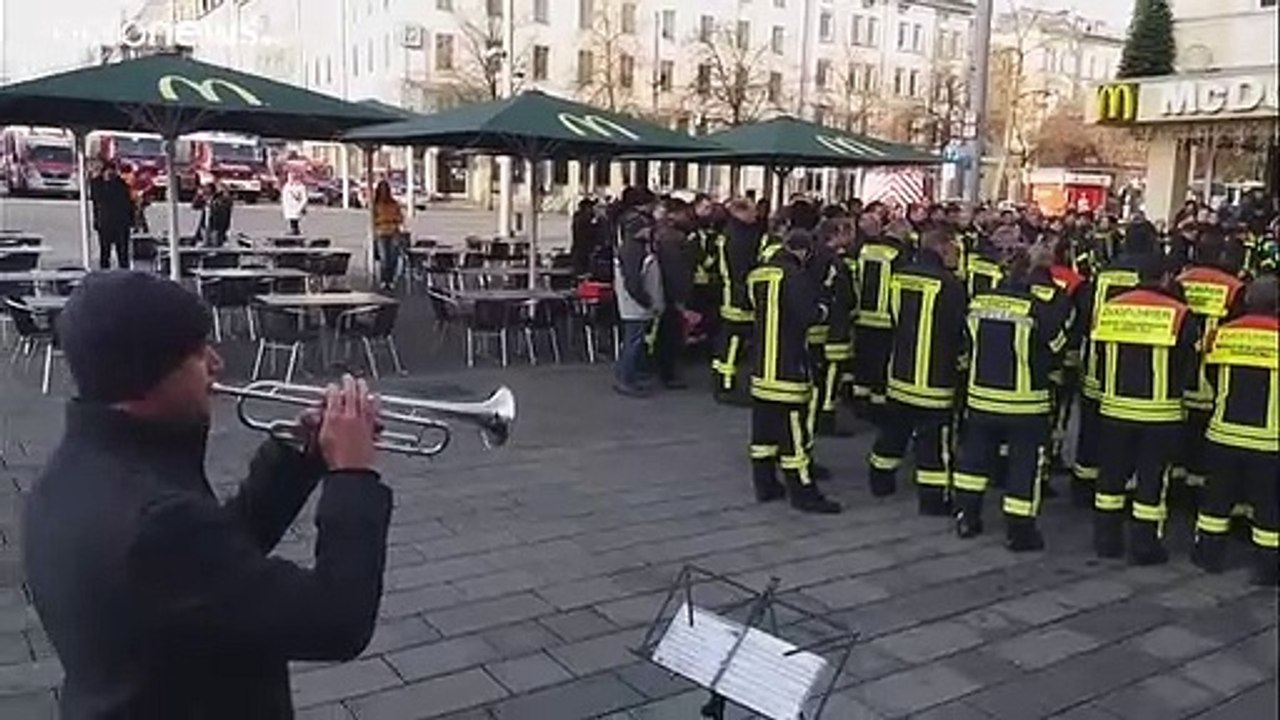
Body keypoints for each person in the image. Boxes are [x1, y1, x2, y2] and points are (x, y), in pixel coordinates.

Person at [22, 271, 393, 718]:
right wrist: (352, 476)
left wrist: (299, 459)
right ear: (147, 375)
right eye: (198, 354)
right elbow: (338, 622)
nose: (216, 364)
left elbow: (216, 568)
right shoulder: (156, 520)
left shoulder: (72, 475)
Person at [952, 242, 1070, 550]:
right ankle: (1019, 532)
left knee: (974, 462)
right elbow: (1057, 348)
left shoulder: (978, 302)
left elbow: (964, 344)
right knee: (1024, 466)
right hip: (1025, 403)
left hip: (981, 398)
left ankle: (967, 517)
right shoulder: (1034, 307)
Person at [1091, 255, 1199, 564]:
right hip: (1159, 413)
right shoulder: (1180, 314)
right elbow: (1189, 364)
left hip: (1114, 408)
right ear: (1166, 277)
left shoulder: (1112, 308)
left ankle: (1106, 540)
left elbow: (1098, 352)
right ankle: (1145, 545)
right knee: (1152, 482)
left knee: (1110, 478)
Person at [866, 227, 967, 514]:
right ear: (942, 248)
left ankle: (879, 478)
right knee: (933, 442)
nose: (958, 257)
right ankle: (933, 500)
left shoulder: (901, 276)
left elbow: (893, 317)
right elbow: (956, 330)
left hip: (901, 371)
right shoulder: (949, 285)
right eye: (955, 251)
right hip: (934, 379)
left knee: (893, 431)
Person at [1192, 275, 1279, 586]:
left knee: (1216, 501)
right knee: (1269, 506)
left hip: (1224, 432)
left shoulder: (1223, 334)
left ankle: (1208, 555)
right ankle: (1268, 568)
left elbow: (1211, 373)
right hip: (1269, 438)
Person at [748, 229, 841, 514]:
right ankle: (803, 492)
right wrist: (825, 302)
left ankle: (765, 485)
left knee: (762, 433)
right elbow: (810, 316)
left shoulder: (759, 275)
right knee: (794, 435)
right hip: (788, 368)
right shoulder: (795, 276)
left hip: (762, 367)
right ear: (802, 251)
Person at [850, 216, 912, 420]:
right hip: (885, 318)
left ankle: (859, 400)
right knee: (881, 362)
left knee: (863, 360)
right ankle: (877, 405)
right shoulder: (899, 254)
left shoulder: (866, 249)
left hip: (862, 314)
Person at [711, 198, 763, 404]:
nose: (756, 215)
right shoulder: (740, 236)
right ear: (741, 212)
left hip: (730, 292)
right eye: (752, 212)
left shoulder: (729, 232)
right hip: (739, 296)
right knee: (734, 340)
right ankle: (726, 384)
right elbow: (747, 267)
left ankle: (721, 378)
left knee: (727, 339)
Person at [614, 193, 661, 397]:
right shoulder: (634, 250)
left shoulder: (635, 246)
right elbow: (633, 280)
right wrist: (646, 300)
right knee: (633, 341)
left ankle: (630, 376)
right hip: (635, 304)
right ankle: (626, 379)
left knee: (634, 340)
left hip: (634, 303)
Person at [652, 198, 696, 388]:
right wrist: (680, 296)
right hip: (671, 292)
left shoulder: (661, 233)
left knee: (664, 333)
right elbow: (675, 269)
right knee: (671, 335)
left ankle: (663, 370)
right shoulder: (673, 238)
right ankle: (668, 374)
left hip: (663, 290)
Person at [92, 162, 134, 269]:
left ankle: (124, 273)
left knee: (123, 252)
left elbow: (128, 204)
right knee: (105, 252)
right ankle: (105, 273)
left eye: (112, 171)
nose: (110, 174)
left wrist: (131, 221)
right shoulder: (98, 184)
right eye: (108, 171)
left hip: (121, 223)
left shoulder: (121, 185)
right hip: (105, 223)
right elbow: (98, 200)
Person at [372, 180, 405, 291]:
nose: (384, 192)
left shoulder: (394, 204)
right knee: (384, 258)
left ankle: (390, 280)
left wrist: (394, 222)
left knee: (393, 257)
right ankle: (384, 280)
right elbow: (373, 220)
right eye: (382, 190)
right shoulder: (375, 205)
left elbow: (400, 218)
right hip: (381, 232)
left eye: (385, 190)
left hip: (393, 232)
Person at [205, 184, 235, 248]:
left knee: (216, 242)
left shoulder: (223, 201)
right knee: (211, 241)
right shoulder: (213, 199)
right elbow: (195, 206)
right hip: (212, 226)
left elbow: (224, 215)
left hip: (218, 227)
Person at [281, 172, 309, 236]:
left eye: (291, 177)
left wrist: (301, 207)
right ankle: (293, 229)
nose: (290, 179)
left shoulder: (300, 187)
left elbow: (304, 198)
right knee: (291, 217)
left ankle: (294, 229)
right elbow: (284, 195)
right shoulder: (287, 186)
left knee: (294, 217)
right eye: (289, 177)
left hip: (296, 206)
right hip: (289, 206)